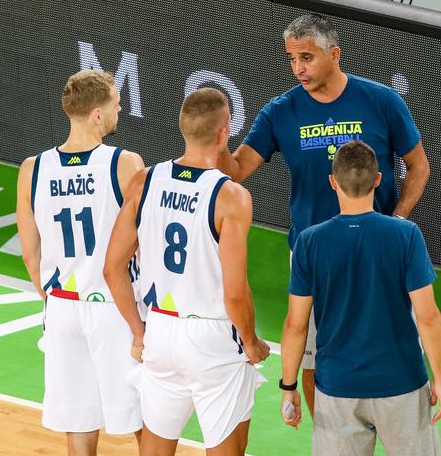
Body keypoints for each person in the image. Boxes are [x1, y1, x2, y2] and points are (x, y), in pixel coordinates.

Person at [218, 13, 430, 415]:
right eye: (291, 59)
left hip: (377, 250)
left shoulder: (382, 100)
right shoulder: (280, 112)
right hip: (313, 255)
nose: (298, 68)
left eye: (307, 57)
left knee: (393, 351)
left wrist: (397, 220)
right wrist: (214, 139)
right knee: (314, 360)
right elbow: (237, 170)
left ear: (334, 54)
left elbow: (419, 166)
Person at [104, 87, 270, 456]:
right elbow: (234, 291)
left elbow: (113, 267)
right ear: (224, 133)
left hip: (160, 330)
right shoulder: (231, 196)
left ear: (183, 128)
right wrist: (251, 341)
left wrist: (138, 331)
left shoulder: (144, 181)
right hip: (213, 337)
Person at [279, 140, 441, 455]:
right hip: (402, 384)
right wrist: (439, 377)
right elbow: (428, 316)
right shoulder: (406, 235)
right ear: (378, 179)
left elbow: (295, 326)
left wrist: (289, 387)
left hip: (337, 389)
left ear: (333, 182)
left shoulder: (308, 243)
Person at [16, 69, 144, 455]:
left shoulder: (31, 168)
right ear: (97, 115)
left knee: (78, 424)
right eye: (116, 103)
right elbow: (144, 241)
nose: (121, 109)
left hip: (63, 308)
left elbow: (30, 253)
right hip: (114, 309)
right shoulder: (125, 163)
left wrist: (52, 297)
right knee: (145, 420)